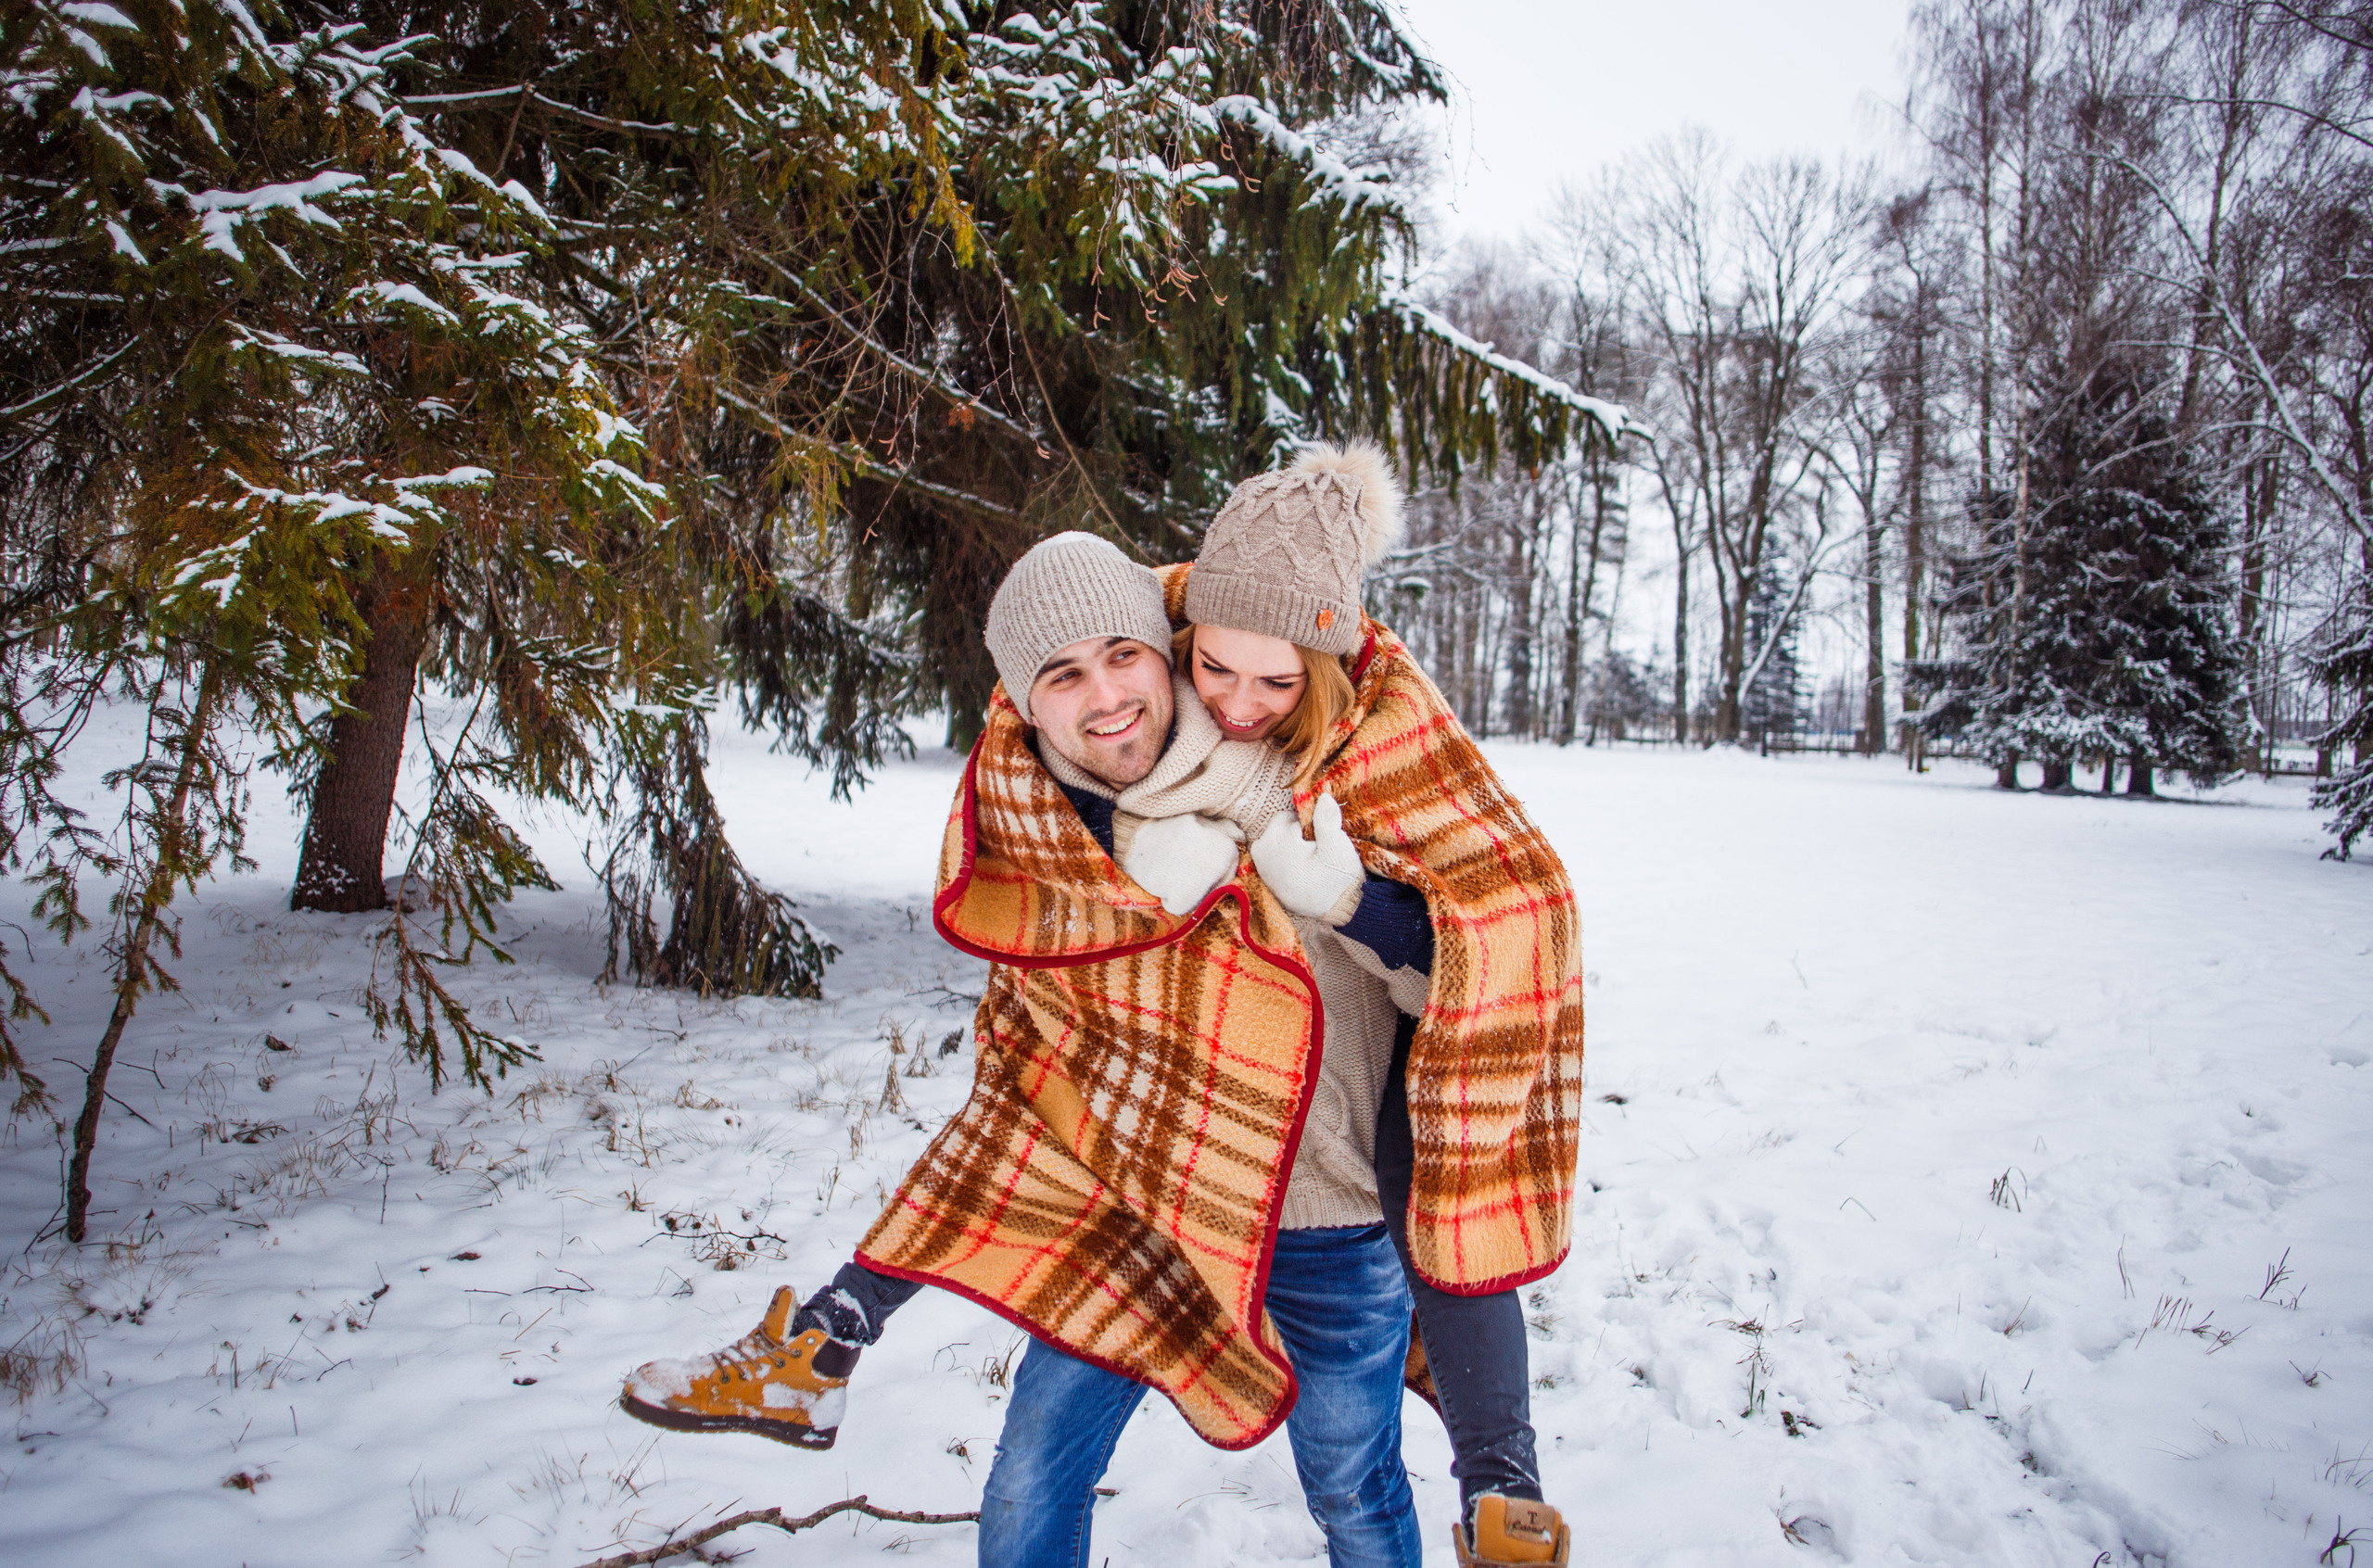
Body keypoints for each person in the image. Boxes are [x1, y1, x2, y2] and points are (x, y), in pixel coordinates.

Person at [621, 449, 1585, 1568]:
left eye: (1123, 656)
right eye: (1063, 677)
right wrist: (855, 1307)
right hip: (1148, 1214)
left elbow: (1488, 962)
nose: (1227, 702)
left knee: (1354, 1483)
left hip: (1333, 1226)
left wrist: (1352, 905)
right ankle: (824, 1343)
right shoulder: (1064, 841)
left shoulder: (1353, 772)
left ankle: (1497, 1485)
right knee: (1034, 1466)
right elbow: (1027, 1087)